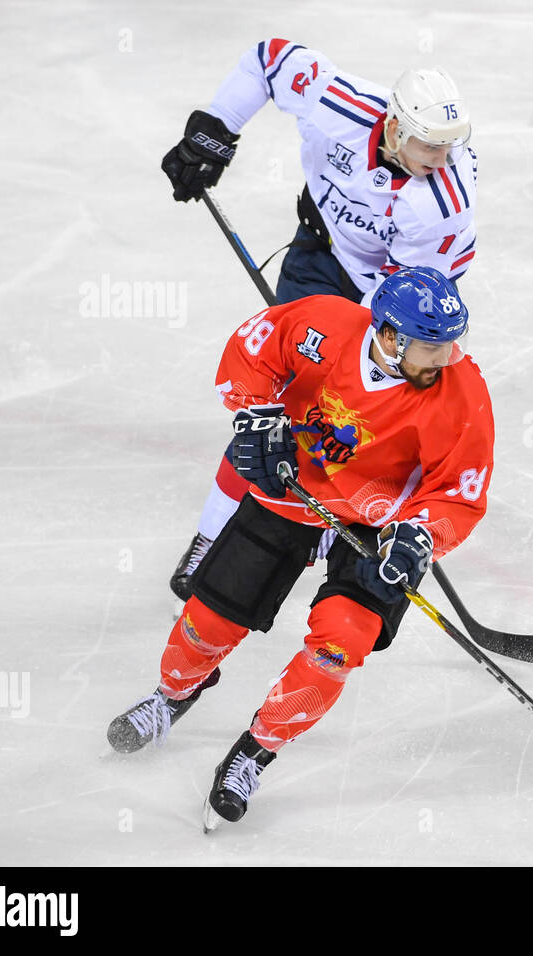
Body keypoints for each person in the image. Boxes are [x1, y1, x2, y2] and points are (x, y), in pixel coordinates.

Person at [106, 267, 494, 829]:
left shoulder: (462, 390)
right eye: (432, 346)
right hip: (292, 494)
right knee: (208, 618)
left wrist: (422, 536)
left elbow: (460, 489)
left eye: (450, 342)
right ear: (390, 335)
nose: (446, 357)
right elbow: (251, 348)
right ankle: (172, 696)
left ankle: (257, 750)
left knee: (341, 641)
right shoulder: (325, 323)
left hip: (374, 529)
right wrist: (255, 416)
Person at [160, 38, 478, 598]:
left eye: (451, 147)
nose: (442, 159)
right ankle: (211, 538)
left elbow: (406, 298)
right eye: (430, 145)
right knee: (274, 408)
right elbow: (270, 58)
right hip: (319, 251)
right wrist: (216, 132)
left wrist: (348, 358)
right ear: (396, 126)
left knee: (341, 417)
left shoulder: (443, 206)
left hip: (388, 293)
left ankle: (325, 531)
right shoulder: (340, 104)